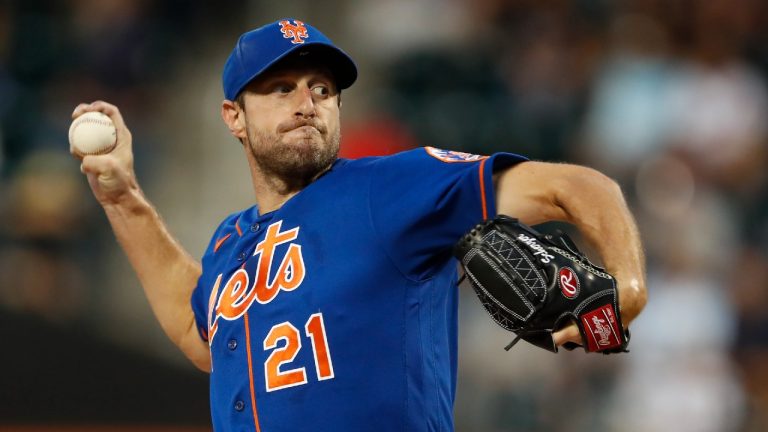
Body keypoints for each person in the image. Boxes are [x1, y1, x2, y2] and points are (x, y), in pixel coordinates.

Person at [71, 18, 647, 432]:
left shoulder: (391, 187)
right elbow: (198, 338)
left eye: (322, 89)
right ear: (233, 117)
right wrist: (123, 199)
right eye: (281, 89)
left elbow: (578, 188)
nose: (307, 102)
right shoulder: (229, 241)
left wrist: (628, 284)